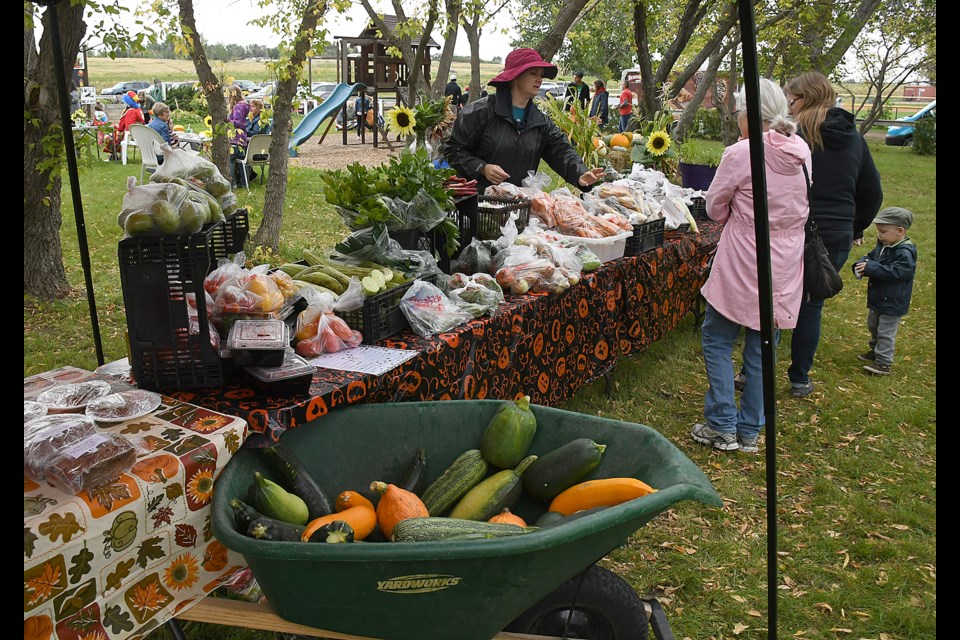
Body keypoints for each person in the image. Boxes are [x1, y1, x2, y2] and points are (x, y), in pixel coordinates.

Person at [690, 78, 811, 453]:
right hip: (786, 260)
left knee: (717, 335)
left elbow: (714, 206)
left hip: (745, 254)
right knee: (763, 345)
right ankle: (750, 430)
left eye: (740, 112)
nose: (737, 119)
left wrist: (733, 216)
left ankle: (722, 424)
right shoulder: (801, 150)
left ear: (749, 114)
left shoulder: (741, 153)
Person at [784, 71, 883, 398]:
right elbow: (872, 193)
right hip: (836, 235)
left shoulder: (792, 136)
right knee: (811, 306)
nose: (788, 104)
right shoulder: (855, 139)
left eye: (792, 98)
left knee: (775, 301)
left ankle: (751, 372)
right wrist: (854, 227)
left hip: (792, 229)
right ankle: (799, 379)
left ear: (805, 98)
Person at [442, 48, 604, 195]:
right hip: (480, 206)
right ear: (515, 77)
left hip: (519, 207)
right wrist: (482, 168)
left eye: (541, 74)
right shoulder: (480, 112)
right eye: (533, 73)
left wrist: (580, 173)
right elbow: (453, 150)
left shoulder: (541, 121)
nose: (539, 79)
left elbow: (561, 150)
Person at [851, 207, 917, 376]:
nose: (879, 235)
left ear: (900, 231)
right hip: (879, 298)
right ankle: (875, 350)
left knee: (886, 332)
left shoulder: (904, 253)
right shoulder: (883, 246)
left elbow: (897, 273)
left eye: (883, 231)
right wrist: (861, 264)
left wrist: (871, 267)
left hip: (893, 302)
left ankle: (883, 362)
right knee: (873, 326)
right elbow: (870, 257)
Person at [104, 90, 144, 157]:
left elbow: (125, 127)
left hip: (129, 135)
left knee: (108, 137)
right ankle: (120, 155)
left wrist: (115, 127)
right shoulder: (138, 110)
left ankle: (114, 155)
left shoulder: (130, 112)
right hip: (139, 134)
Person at [227, 85, 252, 184]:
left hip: (236, 138)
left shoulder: (238, 107)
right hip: (242, 138)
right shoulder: (244, 105)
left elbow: (238, 123)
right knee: (241, 161)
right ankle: (244, 182)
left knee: (230, 160)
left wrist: (227, 121)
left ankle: (231, 183)